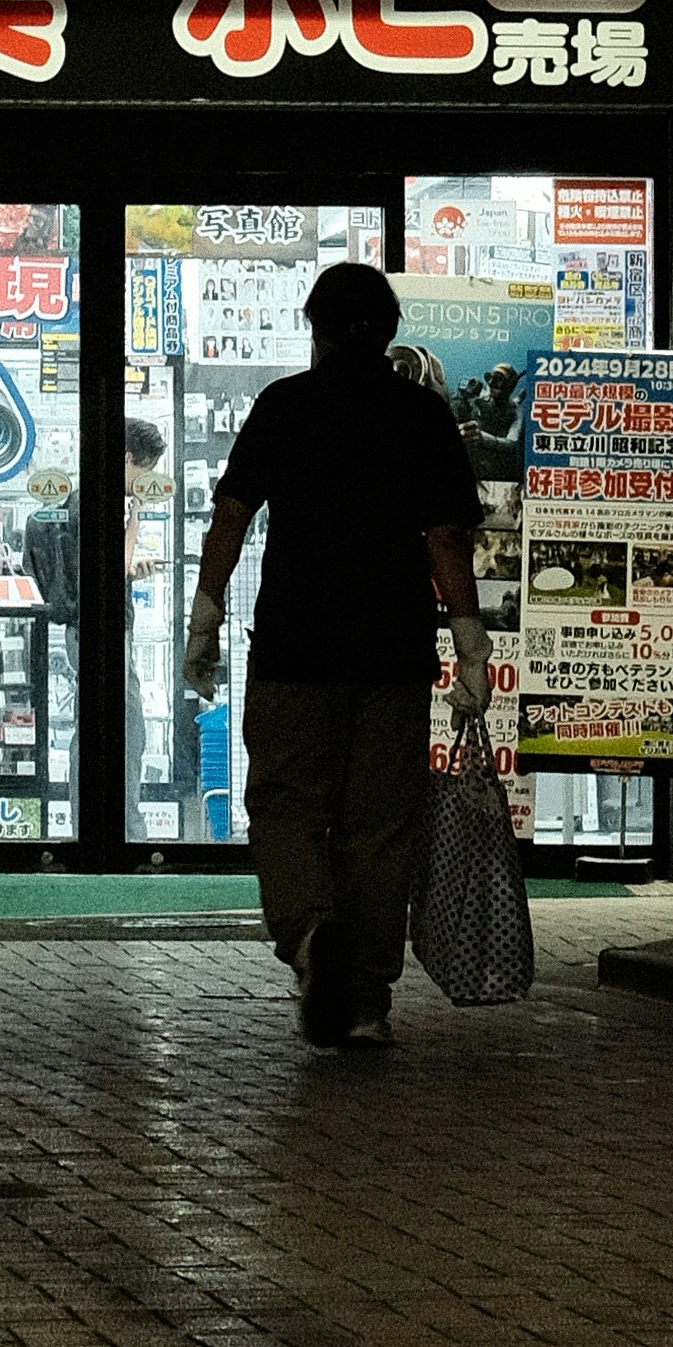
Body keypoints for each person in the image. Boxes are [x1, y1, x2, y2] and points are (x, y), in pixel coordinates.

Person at [179, 256, 482, 1049]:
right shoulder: (421, 415)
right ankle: (367, 999)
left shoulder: (285, 405)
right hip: (392, 652)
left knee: (286, 803)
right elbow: (446, 536)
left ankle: (313, 931)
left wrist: (205, 616)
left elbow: (231, 516)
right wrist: (471, 641)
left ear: (314, 329)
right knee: (378, 824)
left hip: (295, 645)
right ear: (388, 333)